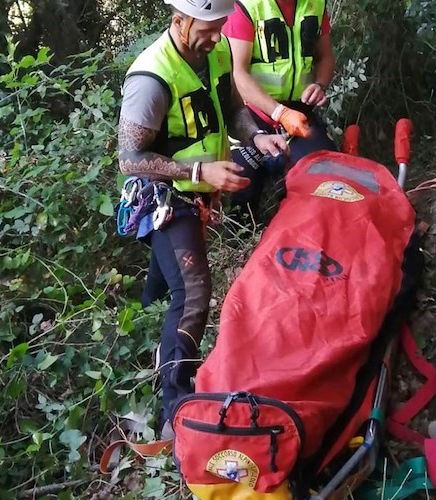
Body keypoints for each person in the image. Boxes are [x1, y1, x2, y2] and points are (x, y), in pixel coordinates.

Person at [118, 0, 288, 440]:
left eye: (220, 27)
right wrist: (198, 173)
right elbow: (129, 159)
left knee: (166, 283)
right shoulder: (151, 76)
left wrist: (257, 135)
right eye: (209, 28)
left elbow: (231, 108)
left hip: (198, 190)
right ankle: (174, 405)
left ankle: (139, 335)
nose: (218, 36)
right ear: (179, 20)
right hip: (161, 196)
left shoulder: (212, 53)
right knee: (193, 291)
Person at [223, 0, 337, 210]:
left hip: (300, 114)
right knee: (243, 189)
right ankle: (244, 234)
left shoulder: (316, 4)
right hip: (253, 117)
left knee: (325, 176)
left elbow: (326, 57)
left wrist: (320, 84)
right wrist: (280, 112)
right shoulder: (246, 6)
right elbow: (238, 73)